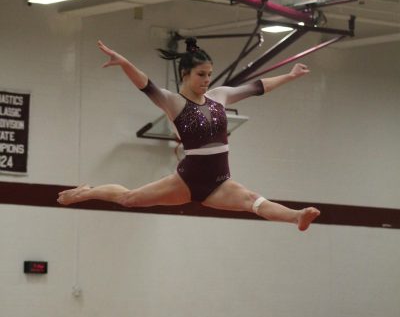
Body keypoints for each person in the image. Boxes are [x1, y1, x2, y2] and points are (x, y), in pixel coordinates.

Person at [57, 38, 320, 231]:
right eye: (201, 75)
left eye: (209, 74)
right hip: (187, 179)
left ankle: (296, 216)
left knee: (253, 201)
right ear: (185, 74)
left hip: (219, 181)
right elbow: (145, 84)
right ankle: (87, 192)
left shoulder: (220, 96)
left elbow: (258, 87)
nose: (207, 80)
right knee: (129, 198)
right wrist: (125, 62)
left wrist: (291, 76)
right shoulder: (174, 102)